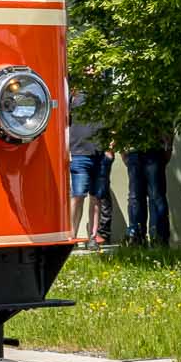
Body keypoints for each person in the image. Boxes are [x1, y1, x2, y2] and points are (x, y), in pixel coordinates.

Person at [66, 85, 110, 245]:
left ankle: (92, 237)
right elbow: (64, 121)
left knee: (96, 197)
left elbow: (113, 121)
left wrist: (110, 149)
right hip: (78, 153)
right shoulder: (72, 94)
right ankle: (72, 237)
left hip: (99, 153)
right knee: (78, 196)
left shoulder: (103, 93)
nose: (90, 68)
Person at [123, 126, 172, 245]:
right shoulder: (124, 107)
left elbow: (168, 124)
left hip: (154, 150)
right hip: (133, 152)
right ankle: (136, 237)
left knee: (156, 196)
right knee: (135, 196)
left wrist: (168, 147)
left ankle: (158, 237)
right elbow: (119, 126)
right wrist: (123, 152)